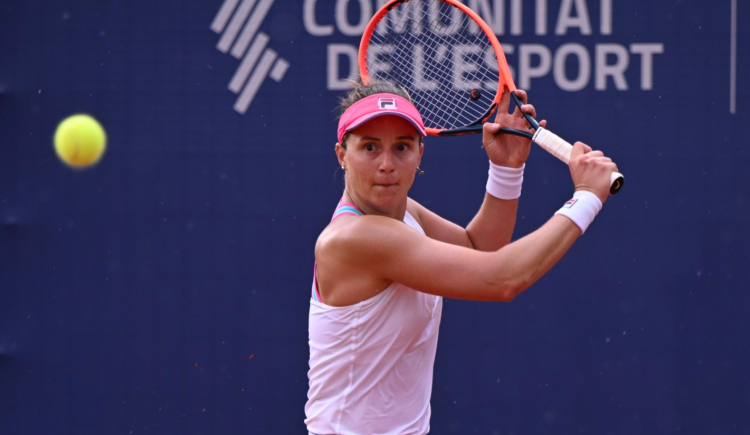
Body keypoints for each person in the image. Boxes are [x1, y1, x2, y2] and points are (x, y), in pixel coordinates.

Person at [305, 82, 618, 435]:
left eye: (402, 147)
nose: (387, 165)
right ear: (341, 155)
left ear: (420, 154)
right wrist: (588, 197)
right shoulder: (355, 238)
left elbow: (477, 248)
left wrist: (507, 169)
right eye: (370, 148)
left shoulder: (404, 214)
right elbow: (501, 278)